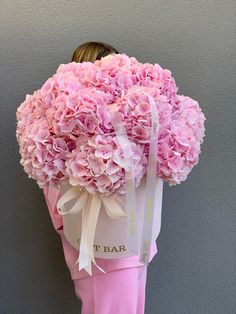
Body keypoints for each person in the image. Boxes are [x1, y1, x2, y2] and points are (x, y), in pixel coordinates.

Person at [43, 41, 158, 314]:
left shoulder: (126, 127)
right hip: (100, 257)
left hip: (133, 252)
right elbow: (57, 200)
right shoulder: (63, 131)